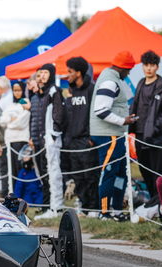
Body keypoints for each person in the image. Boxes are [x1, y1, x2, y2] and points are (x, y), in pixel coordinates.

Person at [90, 51, 138, 221]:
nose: (129, 73)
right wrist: (122, 120)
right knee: (109, 172)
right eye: (129, 69)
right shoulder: (110, 81)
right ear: (122, 67)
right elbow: (100, 110)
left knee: (120, 174)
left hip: (115, 134)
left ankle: (117, 210)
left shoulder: (112, 78)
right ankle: (104, 212)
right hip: (108, 135)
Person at [129, 50, 162, 197]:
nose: (149, 68)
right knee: (144, 170)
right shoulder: (141, 83)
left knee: (158, 173)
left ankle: (160, 203)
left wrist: (154, 129)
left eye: (152, 65)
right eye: (146, 65)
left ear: (157, 67)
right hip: (140, 135)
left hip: (156, 137)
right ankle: (153, 200)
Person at [30, 63, 66, 220]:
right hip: (44, 139)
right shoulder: (43, 93)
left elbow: (59, 114)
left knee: (54, 171)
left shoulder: (54, 91)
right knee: (47, 172)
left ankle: (57, 207)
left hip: (51, 138)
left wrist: (53, 134)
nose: (42, 75)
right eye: (40, 72)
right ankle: (52, 205)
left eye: (45, 72)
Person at [66, 56, 99, 216]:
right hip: (73, 141)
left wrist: (91, 138)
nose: (68, 75)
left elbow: (95, 114)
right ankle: (85, 208)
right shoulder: (72, 91)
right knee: (78, 177)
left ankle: (94, 208)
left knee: (90, 175)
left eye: (70, 72)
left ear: (79, 73)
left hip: (87, 141)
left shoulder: (91, 89)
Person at [0, 81, 30, 184]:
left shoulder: (24, 101)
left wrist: (8, 124)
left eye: (19, 90)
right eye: (14, 91)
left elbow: (21, 122)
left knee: (19, 167)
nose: (16, 93)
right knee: (11, 169)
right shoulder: (11, 104)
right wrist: (10, 120)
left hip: (20, 139)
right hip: (10, 140)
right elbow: (1, 120)